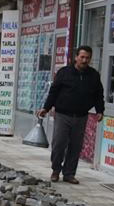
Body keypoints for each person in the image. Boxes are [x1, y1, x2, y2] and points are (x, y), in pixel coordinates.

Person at [38, 45, 105, 184]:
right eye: (82, 57)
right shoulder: (64, 72)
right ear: (76, 57)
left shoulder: (93, 75)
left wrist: (100, 110)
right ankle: (56, 170)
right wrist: (46, 108)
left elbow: (99, 95)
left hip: (81, 116)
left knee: (75, 146)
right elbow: (53, 92)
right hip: (63, 114)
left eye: (87, 58)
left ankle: (69, 174)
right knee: (59, 143)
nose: (85, 60)